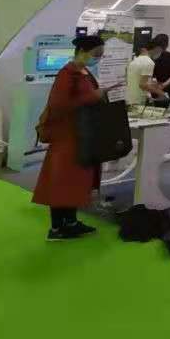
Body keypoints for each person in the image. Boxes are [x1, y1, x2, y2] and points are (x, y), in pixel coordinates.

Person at [32, 34, 123, 241]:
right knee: (62, 181)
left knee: (75, 181)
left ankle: (71, 222)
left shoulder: (83, 72)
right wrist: (93, 96)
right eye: (96, 54)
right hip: (67, 137)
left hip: (81, 135)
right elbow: (58, 105)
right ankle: (57, 228)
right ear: (82, 51)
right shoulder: (67, 73)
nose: (98, 58)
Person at [148, 34, 170, 108]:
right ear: (166, 45)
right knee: (167, 110)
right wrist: (164, 84)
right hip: (168, 90)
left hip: (154, 90)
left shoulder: (150, 56)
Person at [125, 44, 162, 110]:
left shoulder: (133, 61)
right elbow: (143, 85)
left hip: (129, 98)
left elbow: (135, 80)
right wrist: (161, 93)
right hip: (138, 100)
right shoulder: (149, 62)